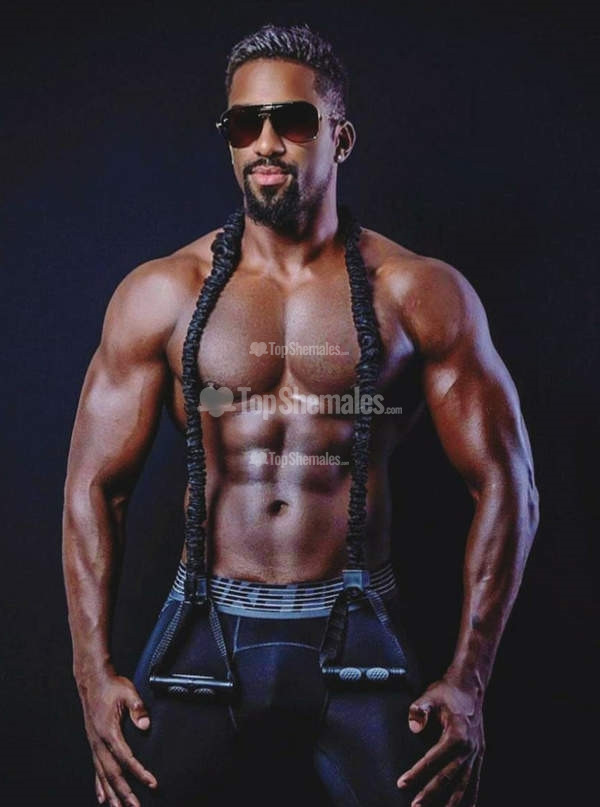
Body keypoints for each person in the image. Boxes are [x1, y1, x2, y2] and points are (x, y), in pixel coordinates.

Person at [62, 22, 539, 807]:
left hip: (358, 622)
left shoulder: (417, 292)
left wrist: (468, 679)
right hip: (202, 624)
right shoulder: (163, 293)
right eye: (244, 123)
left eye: (292, 120)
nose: (266, 142)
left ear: (340, 138)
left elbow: (507, 484)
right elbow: (93, 487)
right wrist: (92, 671)